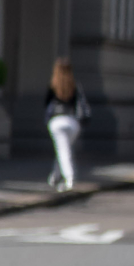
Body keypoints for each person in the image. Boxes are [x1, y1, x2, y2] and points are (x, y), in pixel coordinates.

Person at [42, 57, 89, 192]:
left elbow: (46, 104)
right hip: (72, 123)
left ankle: (69, 179)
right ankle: (55, 177)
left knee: (63, 150)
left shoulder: (52, 86)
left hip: (56, 122)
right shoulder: (74, 85)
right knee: (64, 149)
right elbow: (79, 105)